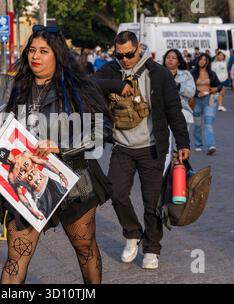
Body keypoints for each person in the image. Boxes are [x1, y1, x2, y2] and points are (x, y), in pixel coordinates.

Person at [0, 24, 112, 284]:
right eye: (32, 50)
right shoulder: (21, 87)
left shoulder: (78, 89)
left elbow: (104, 129)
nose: (35, 56)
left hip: (73, 182)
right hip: (26, 183)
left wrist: (62, 146)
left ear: (57, 55)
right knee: (15, 259)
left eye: (43, 51)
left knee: (85, 249)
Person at [93, 31, 190, 270]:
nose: (124, 60)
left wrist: (183, 143)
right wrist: (117, 84)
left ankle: (152, 248)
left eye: (129, 54)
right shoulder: (110, 70)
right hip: (122, 147)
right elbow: (88, 83)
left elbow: (173, 110)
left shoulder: (159, 74)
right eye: (119, 55)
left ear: (139, 49)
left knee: (152, 202)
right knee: (115, 192)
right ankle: (132, 233)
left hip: (152, 148)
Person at [0, 148, 68, 221]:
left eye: (8, 155)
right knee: (56, 219)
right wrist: (32, 211)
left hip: (50, 184)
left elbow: (44, 162)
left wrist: (61, 175)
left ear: (10, 152)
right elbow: (20, 195)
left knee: (70, 202)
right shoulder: (11, 176)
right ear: (4, 163)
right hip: (40, 197)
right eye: (6, 160)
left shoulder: (25, 155)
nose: (9, 160)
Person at [190, 53, 220, 155]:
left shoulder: (212, 74)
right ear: (198, 60)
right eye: (201, 59)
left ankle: (211, 146)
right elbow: (189, 87)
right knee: (198, 124)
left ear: (208, 62)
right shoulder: (192, 73)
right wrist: (197, 93)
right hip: (196, 101)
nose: (202, 61)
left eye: (205, 60)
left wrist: (215, 89)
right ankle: (198, 144)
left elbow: (219, 85)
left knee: (208, 124)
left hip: (209, 100)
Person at [163, 49, 196, 132]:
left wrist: (178, 85)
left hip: (182, 111)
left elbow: (191, 92)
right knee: (166, 142)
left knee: (182, 141)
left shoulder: (186, 74)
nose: (170, 59)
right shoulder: (158, 74)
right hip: (163, 112)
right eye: (168, 57)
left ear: (179, 62)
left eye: (173, 58)